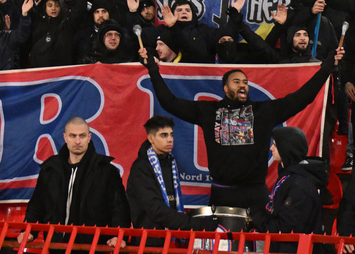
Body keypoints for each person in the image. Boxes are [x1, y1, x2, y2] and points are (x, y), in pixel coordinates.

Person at [140, 42, 342, 212]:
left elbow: (301, 98)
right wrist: (153, 71)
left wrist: (325, 69)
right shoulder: (208, 111)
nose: (242, 85)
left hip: (256, 195)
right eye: (236, 82)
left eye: (245, 81)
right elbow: (170, 102)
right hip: (222, 194)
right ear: (225, 88)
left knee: (259, 244)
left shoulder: (263, 111)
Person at [24, 117, 130, 233]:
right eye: (73, 136)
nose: (77, 141)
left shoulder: (107, 171)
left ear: (89, 137)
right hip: (55, 242)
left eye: (82, 136)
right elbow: (37, 205)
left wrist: (118, 236)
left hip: (92, 242)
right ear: (65, 137)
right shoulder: (50, 169)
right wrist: (28, 232)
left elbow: (119, 208)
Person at [126, 116, 214, 230]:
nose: (170, 139)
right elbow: (156, 209)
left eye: (171, 135)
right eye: (164, 135)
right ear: (151, 138)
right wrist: (194, 224)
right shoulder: (140, 168)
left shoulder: (172, 164)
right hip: (149, 237)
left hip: (172, 235)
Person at [248, 126, 326, 246]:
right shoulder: (289, 177)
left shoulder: (299, 185)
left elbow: (285, 229)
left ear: (286, 148)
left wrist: (258, 217)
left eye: (275, 145)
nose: (271, 148)